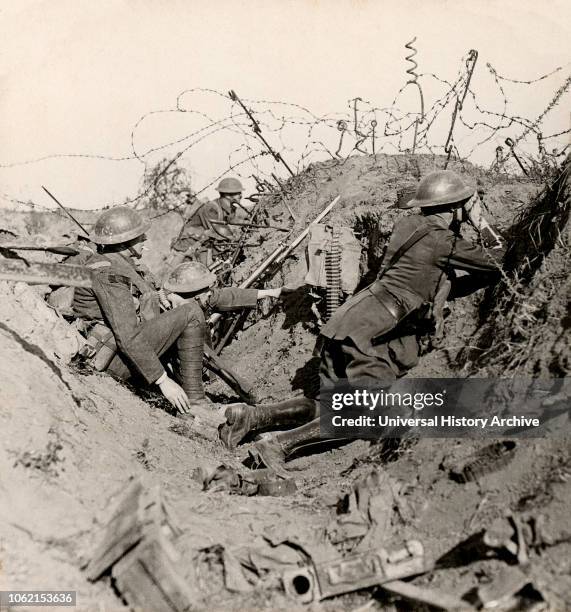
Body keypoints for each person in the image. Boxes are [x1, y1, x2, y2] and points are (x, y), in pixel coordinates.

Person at [219, 170, 506, 475]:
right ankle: (277, 446)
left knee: (329, 405)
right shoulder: (443, 241)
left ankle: (253, 417)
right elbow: (497, 259)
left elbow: (425, 279)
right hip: (374, 333)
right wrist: (482, 222)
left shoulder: (408, 224)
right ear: (456, 207)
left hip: (348, 319)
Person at [170, 177, 248, 269]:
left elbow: (234, 221)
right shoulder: (211, 207)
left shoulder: (229, 208)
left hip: (202, 245)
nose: (241, 195)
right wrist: (236, 237)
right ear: (228, 195)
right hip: (187, 247)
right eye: (238, 193)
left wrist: (246, 222)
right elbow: (219, 230)